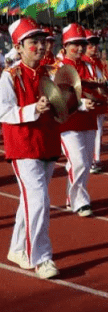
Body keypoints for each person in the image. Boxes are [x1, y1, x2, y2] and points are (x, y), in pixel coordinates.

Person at [1, 18, 63, 279]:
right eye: (33, 42)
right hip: (23, 145)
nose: (40, 46)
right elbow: (4, 111)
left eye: (42, 41)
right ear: (19, 46)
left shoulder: (50, 72)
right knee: (38, 200)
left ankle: (16, 248)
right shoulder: (10, 76)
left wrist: (80, 105)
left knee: (31, 201)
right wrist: (31, 110)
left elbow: (62, 103)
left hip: (47, 142)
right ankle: (40, 257)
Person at [55, 24, 98, 218]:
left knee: (85, 162)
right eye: (75, 44)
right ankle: (80, 201)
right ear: (64, 47)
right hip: (68, 123)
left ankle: (71, 197)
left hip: (88, 119)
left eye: (82, 44)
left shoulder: (89, 65)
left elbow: (94, 88)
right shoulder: (59, 67)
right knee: (78, 161)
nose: (80, 48)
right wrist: (81, 103)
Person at [83, 31, 108, 174]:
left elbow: (106, 78)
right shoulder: (81, 62)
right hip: (86, 102)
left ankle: (95, 159)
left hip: (99, 101)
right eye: (90, 44)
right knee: (87, 133)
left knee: (98, 131)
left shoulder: (98, 62)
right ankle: (90, 159)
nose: (94, 47)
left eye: (95, 44)